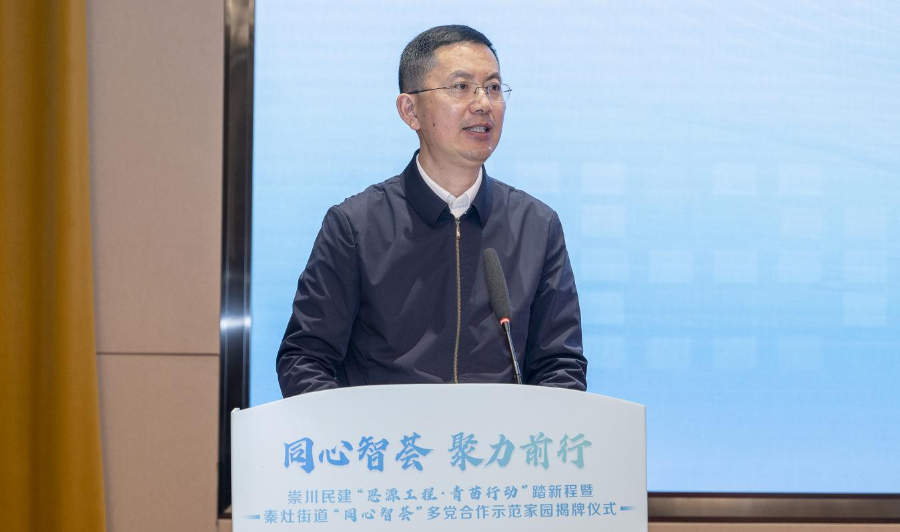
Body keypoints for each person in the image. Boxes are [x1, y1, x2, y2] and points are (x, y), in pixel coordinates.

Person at [277, 25, 586, 396]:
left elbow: (560, 366)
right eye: (461, 87)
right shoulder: (356, 227)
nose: (483, 103)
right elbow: (305, 359)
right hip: (387, 433)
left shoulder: (536, 226)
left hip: (498, 435)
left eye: (492, 87)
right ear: (411, 111)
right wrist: (352, 427)